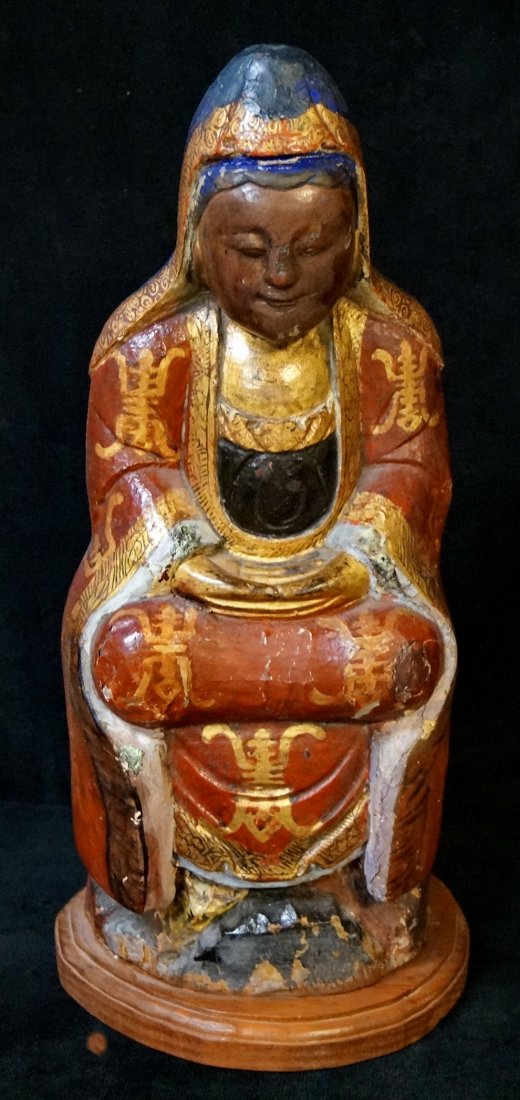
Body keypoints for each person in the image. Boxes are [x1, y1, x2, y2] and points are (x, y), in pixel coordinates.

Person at [63, 46, 456, 916]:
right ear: (197, 241)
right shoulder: (148, 352)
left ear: (354, 238)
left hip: (339, 607)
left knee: (407, 656)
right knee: (126, 656)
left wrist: (352, 557)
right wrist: (191, 556)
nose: (281, 274)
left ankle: (363, 889)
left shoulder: (390, 350)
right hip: (198, 608)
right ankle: (165, 894)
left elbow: (411, 472)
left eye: (312, 246)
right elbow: (129, 476)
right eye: (250, 247)